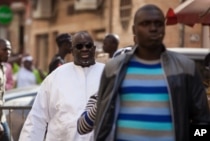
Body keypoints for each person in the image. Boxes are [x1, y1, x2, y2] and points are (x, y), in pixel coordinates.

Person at [93, 4, 210, 141]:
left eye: (158, 24)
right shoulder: (113, 69)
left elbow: (202, 123)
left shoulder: (185, 68)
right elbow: (102, 118)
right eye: (145, 23)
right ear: (134, 30)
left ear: (164, 28)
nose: (153, 28)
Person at [19, 31, 105, 141]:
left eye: (88, 45)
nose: (84, 49)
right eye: (79, 46)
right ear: (72, 51)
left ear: (94, 49)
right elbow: (37, 118)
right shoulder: (55, 77)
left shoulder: (107, 74)